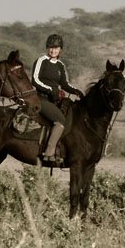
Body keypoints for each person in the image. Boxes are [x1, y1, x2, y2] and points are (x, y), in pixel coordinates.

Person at [32, 34, 84, 162]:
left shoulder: (60, 65)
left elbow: (64, 84)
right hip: (41, 99)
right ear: (47, 48)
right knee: (60, 120)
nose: (53, 50)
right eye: (50, 47)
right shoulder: (41, 60)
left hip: (55, 101)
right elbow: (34, 80)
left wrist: (76, 91)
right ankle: (49, 153)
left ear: (60, 49)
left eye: (56, 48)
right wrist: (50, 90)